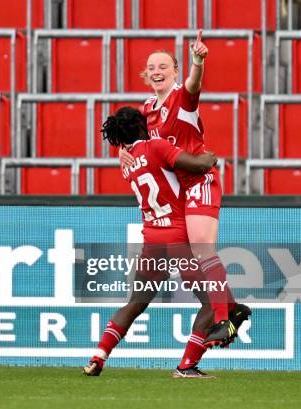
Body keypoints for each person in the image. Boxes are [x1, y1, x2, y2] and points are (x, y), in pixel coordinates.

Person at [82, 107, 250, 378]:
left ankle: (98, 356)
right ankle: (187, 366)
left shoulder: (127, 163)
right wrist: (210, 159)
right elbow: (197, 165)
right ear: (140, 125)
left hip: (152, 241)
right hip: (179, 237)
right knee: (210, 302)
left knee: (136, 302)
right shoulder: (156, 146)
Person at [119, 31, 240, 346]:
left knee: (201, 246)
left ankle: (225, 320)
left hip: (198, 179)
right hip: (175, 192)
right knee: (189, 260)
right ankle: (223, 317)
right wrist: (122, 148)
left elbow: (194, 83)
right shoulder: (146, 109)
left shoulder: (181, 96)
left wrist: (198, 61)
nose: (157, 71)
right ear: (146, 75)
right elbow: (131, 136)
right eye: (151, 67)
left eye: (163, 66)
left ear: (174, 71)